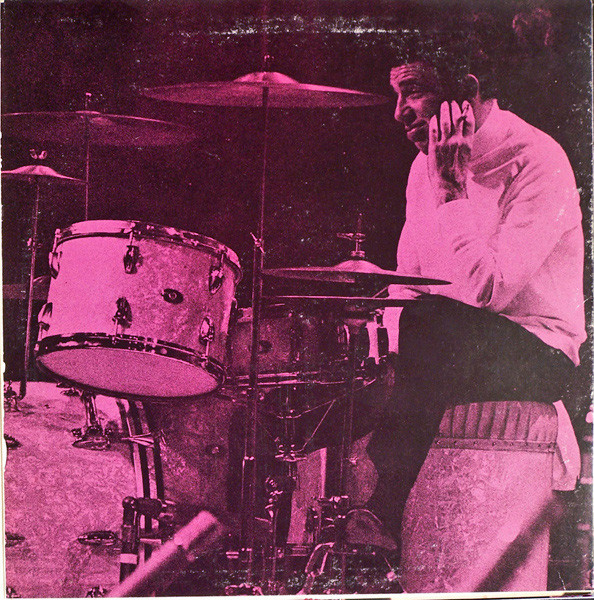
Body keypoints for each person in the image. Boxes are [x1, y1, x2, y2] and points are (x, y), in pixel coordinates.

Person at [344, 17, 587, 559]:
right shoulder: (421, 166)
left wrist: (453, 191)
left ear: (467, 92)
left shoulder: (539, 160)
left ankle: (381, 508)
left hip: (537, 350)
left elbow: (488, 292)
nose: (399, 111)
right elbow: (409, 284)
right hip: (445, 342)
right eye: (396, 94)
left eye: (413, 91)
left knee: (430, 323)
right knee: (357, 346)